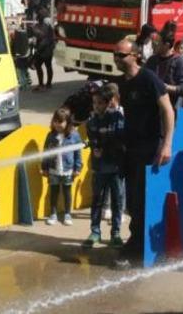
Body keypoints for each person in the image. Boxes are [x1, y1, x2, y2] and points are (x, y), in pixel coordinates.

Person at [113, 38, 174, 267]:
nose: (117, 59)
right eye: (115, 55)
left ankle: (140, 246)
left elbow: (167, 110)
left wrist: (166, 144)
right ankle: (137, 241)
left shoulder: (149, 78)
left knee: (143, 199)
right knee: (132, 199)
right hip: (131, 149)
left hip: (150, 148)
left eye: (121, 55)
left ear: (135, 55)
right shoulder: (120, 82)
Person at [82, 84, 125, 248]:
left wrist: (104, 148)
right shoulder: (91, 122)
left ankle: (115, 233)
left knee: (117, 201)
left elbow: (119, 140)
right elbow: (92, 138)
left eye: (100, 103)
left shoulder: (117, 118)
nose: (96, 106)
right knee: (97, 200)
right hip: (99, 168)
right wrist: (95, 147)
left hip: (116, 168)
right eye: (94, 103)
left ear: (108, 103)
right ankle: (95, 232)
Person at [40, 107, 83, 226]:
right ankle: (53, 213)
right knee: (53, 191)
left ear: (68, 123)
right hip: (53, 169)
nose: (57, 124)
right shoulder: (50, 136)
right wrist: (44, 167)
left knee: (67, 192)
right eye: (55, 121)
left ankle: (67, 214)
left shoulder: (74, 136)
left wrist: (77, 168)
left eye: (61, 122)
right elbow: (46, 152)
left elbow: (78, 153)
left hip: (68, 170)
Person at [144, 21, 183, 108]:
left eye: (157, 43)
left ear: (167, 45)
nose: (154, 45)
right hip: (151, 108)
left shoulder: (179, 62)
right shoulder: (152, 60)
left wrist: (165, 87)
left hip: (170, 107)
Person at [31, 9, 55, 92]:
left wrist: (38, 49)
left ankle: (44, 84)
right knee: (45, 66)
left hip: (44, 49)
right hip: (46, 49)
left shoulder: (45, 25)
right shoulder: (43, 25)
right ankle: (46, 84)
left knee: (43, 66)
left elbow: (43, 37)